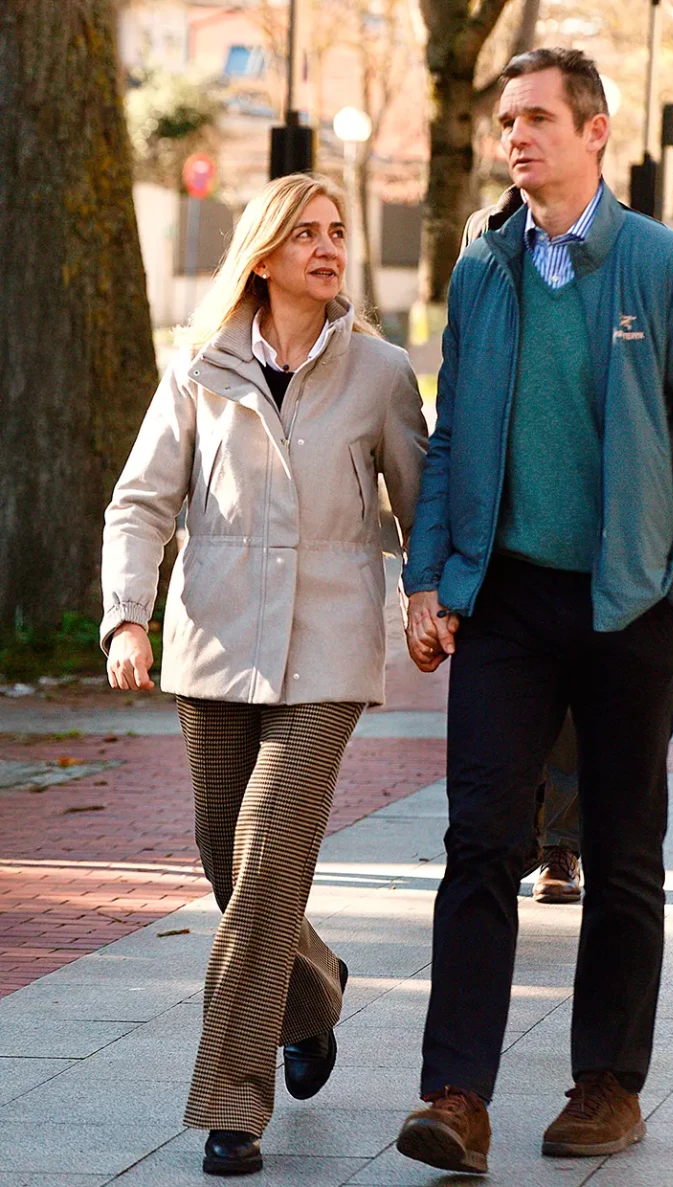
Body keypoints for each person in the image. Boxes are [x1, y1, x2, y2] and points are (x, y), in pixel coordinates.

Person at [396, 47, 673, 1174]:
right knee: (477, 841)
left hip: (624, 608)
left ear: (595, 133)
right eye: (506, 120)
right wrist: (429, 576)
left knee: (620, 848)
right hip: (502, 599)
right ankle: (455, 1093)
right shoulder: (481, 266)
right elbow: (450, 435)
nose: (517, 137)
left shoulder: (660, 268)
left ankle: (604, 1084)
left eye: (539, 118)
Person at [100, 172, 427, 1177]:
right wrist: (126, 613)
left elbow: (423, 499)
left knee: (264, 848)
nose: (329, 249)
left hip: (325, 653)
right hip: (214, 645)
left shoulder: (377, 371)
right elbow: (140, 502)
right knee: (221, 847)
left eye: (338, 233)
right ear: (263, 253)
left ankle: (230, 1102)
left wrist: (428, 595)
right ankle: (313, 986)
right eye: (307, 234)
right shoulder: (200, 369)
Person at [463, 185, 582, 908]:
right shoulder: (488, 233)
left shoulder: (616, 242)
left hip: (574, 529)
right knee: (505, 706)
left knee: (567, 708)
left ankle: (561, 847)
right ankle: (513, 839)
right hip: (496, 531)